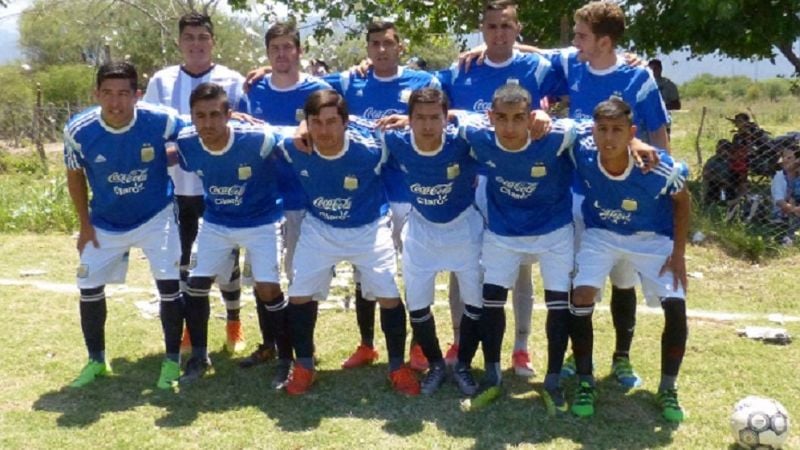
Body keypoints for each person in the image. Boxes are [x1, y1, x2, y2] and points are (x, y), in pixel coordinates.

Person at [545, 0, 671, 390]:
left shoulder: (638, 77)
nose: (574, 42)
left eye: (581, 36)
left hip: (624, 196)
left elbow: (659, 134)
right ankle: (575, 354)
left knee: (623, 279)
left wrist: (660, 187)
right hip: (579, 194)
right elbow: (528, 53)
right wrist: (484, 48)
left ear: (603, 41)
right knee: (579, 279)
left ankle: (622, 357)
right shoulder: (574, 64)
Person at [437, 0, 564, 378]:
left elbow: (581, 62)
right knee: (464, 265)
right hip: (470, 183)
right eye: (491, 27)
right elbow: (427, 98)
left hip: (517, 181)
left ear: (517, 28)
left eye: (506, 26)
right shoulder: (461, 69)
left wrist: (543, 110)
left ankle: (521, 348)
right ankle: (458, 339)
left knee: (520, 268)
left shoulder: (537, 67)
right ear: (482, 30)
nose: (498, 34)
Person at [279, 90, 418, 396]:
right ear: (306, 123)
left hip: (369, 229)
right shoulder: (292, 146)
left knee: (388, 295)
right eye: (316, 122)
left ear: (346, 122)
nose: (324, 131)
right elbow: (248, 131)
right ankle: (304, 366)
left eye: (331, 122)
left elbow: (425, 129)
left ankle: (397, 367)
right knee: (299, 295)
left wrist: (411, 119)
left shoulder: (373, 146)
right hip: (320, 229)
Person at [323, 20, 441, 372]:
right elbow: (302, 84)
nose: (382, 50)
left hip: (410, 192)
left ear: (400, 46)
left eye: (388, 43)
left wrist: (409, 121)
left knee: (416, 271)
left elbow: (444, 115)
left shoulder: (423, 82)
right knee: (366, 272)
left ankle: (419, 346)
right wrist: (267, 69)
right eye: (375, 43)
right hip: (370, 194)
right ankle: (367, 344)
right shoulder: (351, 82)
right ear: (367, 48)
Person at [64, 61, 184, 390]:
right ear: (96, 94)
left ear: (137, 95)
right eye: (107, 93)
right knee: (88, 286)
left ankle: (172, 361)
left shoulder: (162, 120)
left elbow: (200, 129)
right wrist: (85, 225)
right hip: (105, 221)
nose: (115, 103)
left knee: (169, 285)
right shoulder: (78, 130)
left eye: (122, 94)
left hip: (156, 215)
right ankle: (96, 360)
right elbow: (74, 176)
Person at [570, 98, 690, 422]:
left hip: (652, 239)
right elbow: (560, 126)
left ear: (631, 132)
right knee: (581, 296)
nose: (609, 138)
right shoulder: (582, 149)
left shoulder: (657, 167)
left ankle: (668, 388)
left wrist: (679, 254)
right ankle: (585, 381)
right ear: (593, 130)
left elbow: (683, 200)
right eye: (602, 130)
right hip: (601, 233)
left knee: (676, 306)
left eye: (618, 130)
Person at [458, 83, 576, 408]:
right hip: (503, 232)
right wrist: (404, 119)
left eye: (519, 118)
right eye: (502, 118)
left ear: (531, 116)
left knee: (558, 304)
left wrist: (637, 142)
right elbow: (453, 118)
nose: (510, 127)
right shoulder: (478, 135)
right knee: (491, 300)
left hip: (553, 232)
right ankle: (492, 375)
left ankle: (553, 380)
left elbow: (591, 127)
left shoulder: (555, 136)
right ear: (490, 117)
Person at [143, 12, 247, 354]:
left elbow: (246, 129)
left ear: (213, 41)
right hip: (177, 189)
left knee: (226, 260)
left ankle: (234, 322)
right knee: (183, 260)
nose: (196, 44)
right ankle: (190, 328)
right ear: (179, 42)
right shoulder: (161, 82)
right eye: (189, 37)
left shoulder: (233, 81)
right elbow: (152, 133)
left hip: (220, 188)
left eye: (203, 37)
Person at [175, 82, 289, 387]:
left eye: (215, 114)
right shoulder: (187, 143)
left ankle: (285, 356)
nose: (208, 123)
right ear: (191, 117)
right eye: (200, 116)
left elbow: (294, 136)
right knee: (196, 284)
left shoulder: (257, 138)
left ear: (229, 114)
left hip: (262, 221)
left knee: (268, 289)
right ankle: (199, 357)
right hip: (217, 222)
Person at [236, 22, 331, 373]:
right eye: (274, 48)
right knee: (264, 278)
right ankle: (271, 344)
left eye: (287, 47)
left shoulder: (318, 90)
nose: (281, 53)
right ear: (267, 53)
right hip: (263, 199)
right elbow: (242, 132)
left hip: (305, 199)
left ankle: (303, 346)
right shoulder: (254, 89)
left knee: (302, 277)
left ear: (299, 51)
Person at [378, 87, 483, 395]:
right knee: (417, 305)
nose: (427, 125)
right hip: (421, 231)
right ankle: (436, 364)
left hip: (465, 229)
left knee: (475, 304)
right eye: (420, 118)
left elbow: (489, 122)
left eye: (435, 118)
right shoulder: (395, 141)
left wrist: (458, 116)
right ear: (409, 119)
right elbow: (353, 127)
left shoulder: (463, 141)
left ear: (446, 119)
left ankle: (463, 364)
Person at [770, 141, 800, 244]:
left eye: (789, 158)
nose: (785, 160)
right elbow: (779, 201)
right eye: (784, 157)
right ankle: (789, 238)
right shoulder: (779, 176)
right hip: (783, 212)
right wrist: (795, 209)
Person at [702, 139, 733, 204]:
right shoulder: (713, 160)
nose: (718, 150)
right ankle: (720, 201)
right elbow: (705, 173)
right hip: (716, 184)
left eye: (722, 149)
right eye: (718, 148)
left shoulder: (732, 160)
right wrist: (719, 180)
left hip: (731, 183)